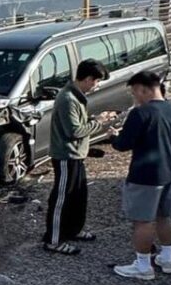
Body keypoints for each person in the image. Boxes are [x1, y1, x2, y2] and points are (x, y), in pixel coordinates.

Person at [110, 70, 171, 280]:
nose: (134, 97)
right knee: (165, 216)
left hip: (146, 175)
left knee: (143, 221)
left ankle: (143, 265)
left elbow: (124, 144)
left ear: (142, 89)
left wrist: (114, 137)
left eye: (134, 93)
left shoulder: (141, 113)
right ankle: (167, 257)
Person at [42, 59, 117, 255]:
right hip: (66, 155)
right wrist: (99, 123)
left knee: (78, 196)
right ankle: (53, 241)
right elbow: (74, 130)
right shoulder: (68, 99)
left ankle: (74, 230)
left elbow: (79, 124)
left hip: (77, 155)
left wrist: (95, 120)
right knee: (62, 198)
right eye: (97, 81)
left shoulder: (77, 96)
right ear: (88, 79)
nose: (97, 86)